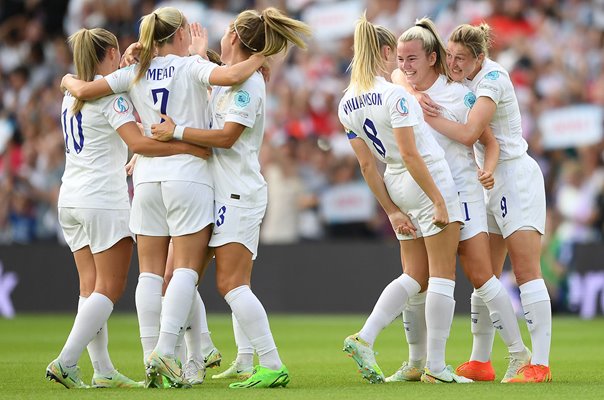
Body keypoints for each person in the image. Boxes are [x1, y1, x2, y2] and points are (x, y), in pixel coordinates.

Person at [61, 6, 266, 388]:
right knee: (185, 270)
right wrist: (263, 53)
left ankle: (149, 356)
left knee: (151, 274)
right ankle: (168, 354)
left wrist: (68, 78)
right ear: (180, 35)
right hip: (187, 176)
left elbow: (87, 89)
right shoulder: (189, 66)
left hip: (145, 179)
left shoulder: (133, 73)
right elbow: (232, 74)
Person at [150, 7, 311, 389]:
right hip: (213, 190)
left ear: (235, 38)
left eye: (226, 32)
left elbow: (226, 136)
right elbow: (211, 77)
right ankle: (195, 358)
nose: (221, 37)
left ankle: (271, 363)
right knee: (177, 276)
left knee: (232, 284)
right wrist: (200, 55)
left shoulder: (250, 83)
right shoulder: (227, 76)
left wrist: (176, 132)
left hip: (238, 193)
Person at [45, 27, 211, 389]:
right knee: (109, 288)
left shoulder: (70, 94)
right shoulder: (111, 98)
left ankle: (102, 369)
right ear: (108, 54)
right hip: (102, 200)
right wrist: (189, 147)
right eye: (117, 53)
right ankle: (66, 361)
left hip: (70, 198)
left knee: (88, 288)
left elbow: (94, 86)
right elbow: (140, 143)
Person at [389, 18, 530, 383]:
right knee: (416, 279)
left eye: (411, 60)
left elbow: (488, 140)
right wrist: (407, 83)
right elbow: (394, 77)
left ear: (432, 58)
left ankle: (518, 353)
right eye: (401, 60)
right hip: (426, 196)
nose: (404, 67)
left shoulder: (459, 93)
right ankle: (418, 362)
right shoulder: (403, 90)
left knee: (481, 275)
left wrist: (488, 170)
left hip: (463, 193)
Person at [337, 14, 470, 384]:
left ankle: (370, 338)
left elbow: (367, 165)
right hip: (426, 176)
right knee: (442, 276)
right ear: (383, 52)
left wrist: (392, 210)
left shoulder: (346, 103)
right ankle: (438, 368)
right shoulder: (396, 96)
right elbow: (413, 155)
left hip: (394, 183)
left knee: (414, 275)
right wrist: (439, 200)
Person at [423, 23, 551, 383]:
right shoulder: (462, 81)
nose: (452, 62)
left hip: (516, 177)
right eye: (449, 55)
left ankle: (539, 363)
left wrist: (432, 116)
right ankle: (481, 361)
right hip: (489, 179)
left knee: (526, 271)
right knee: (485, 275)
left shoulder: (493, 78)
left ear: (480, 57)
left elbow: (469, 133)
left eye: (460, 57)